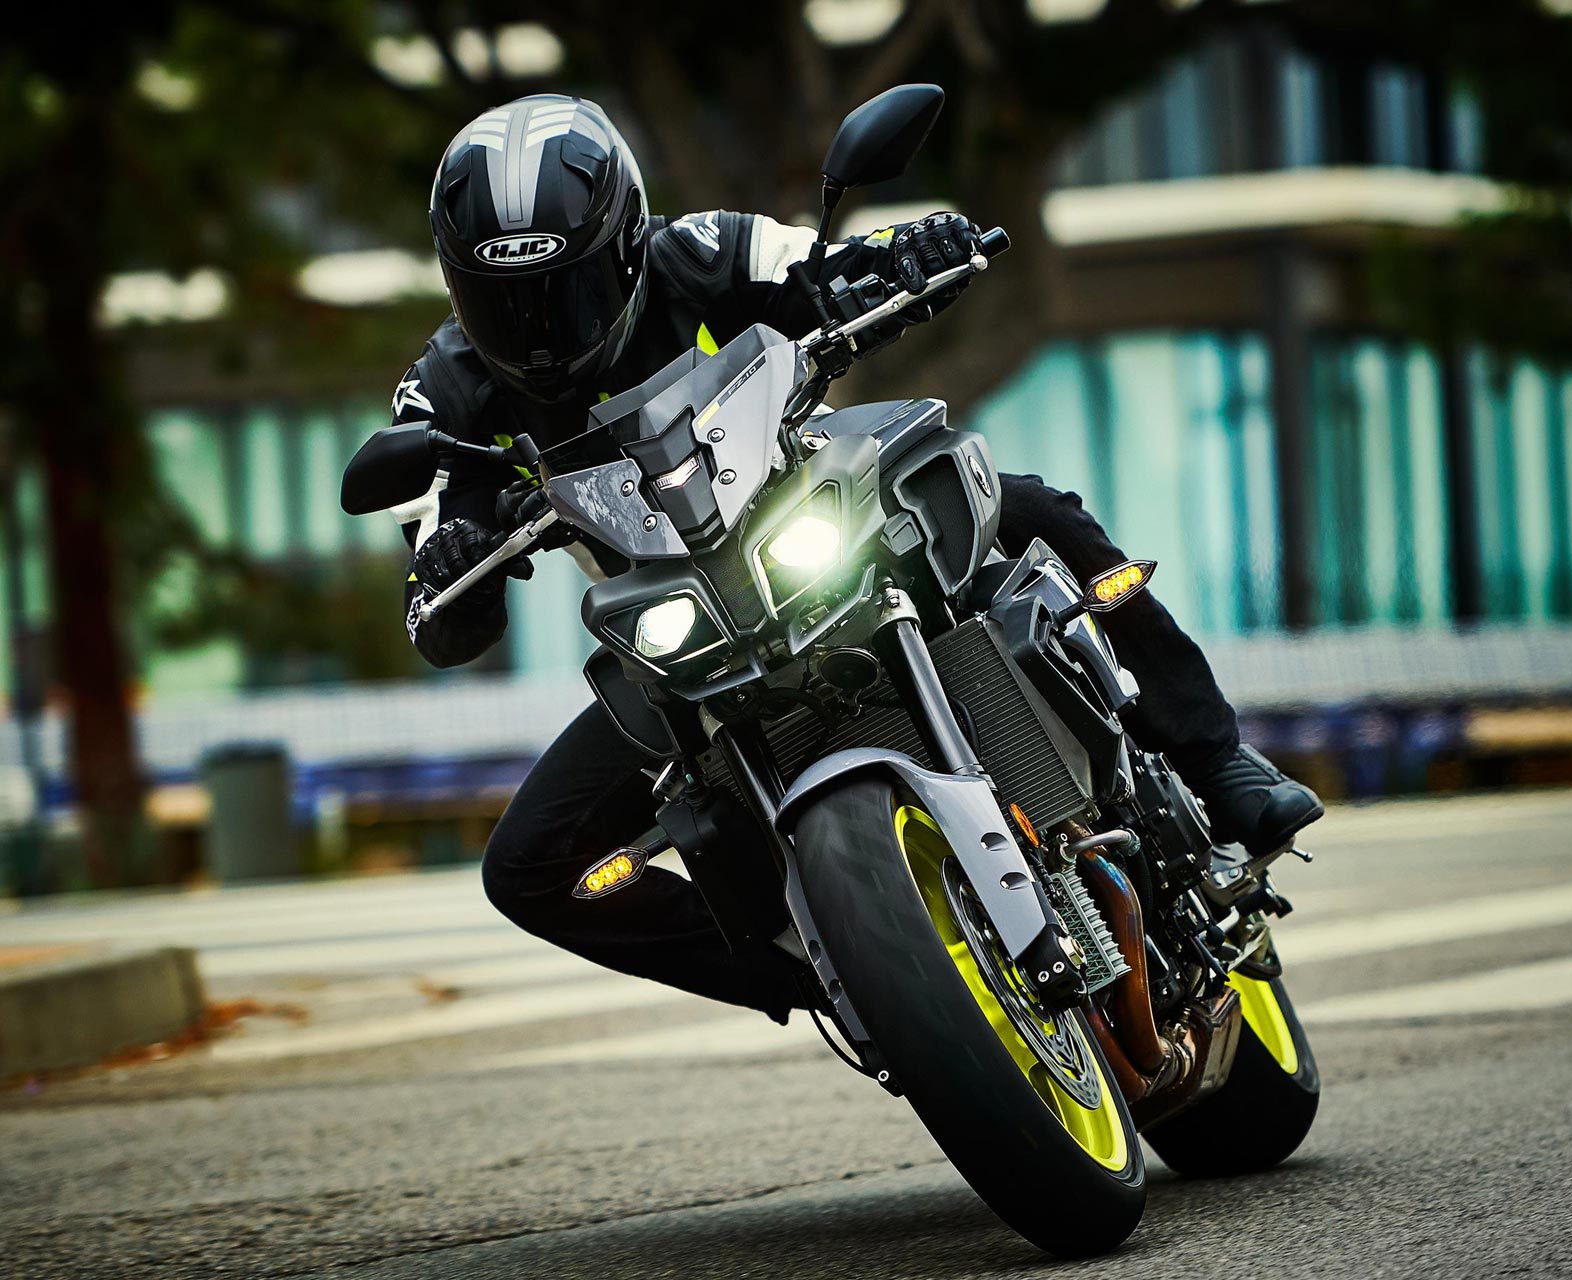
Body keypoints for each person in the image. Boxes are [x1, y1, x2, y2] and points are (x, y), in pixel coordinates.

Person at [384, 94, 1321, 1020]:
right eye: (505, 301)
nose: (540, 328)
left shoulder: (701, 249)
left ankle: (1217, 762)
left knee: (1028, 507)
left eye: (565, 287)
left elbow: (820, 266)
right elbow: (440, 582)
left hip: (813, 513)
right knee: (528, 869)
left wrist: (905, 255)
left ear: (625, 242)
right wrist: (448, 560)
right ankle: (825, 973)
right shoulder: (440, 390)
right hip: (678, 631)